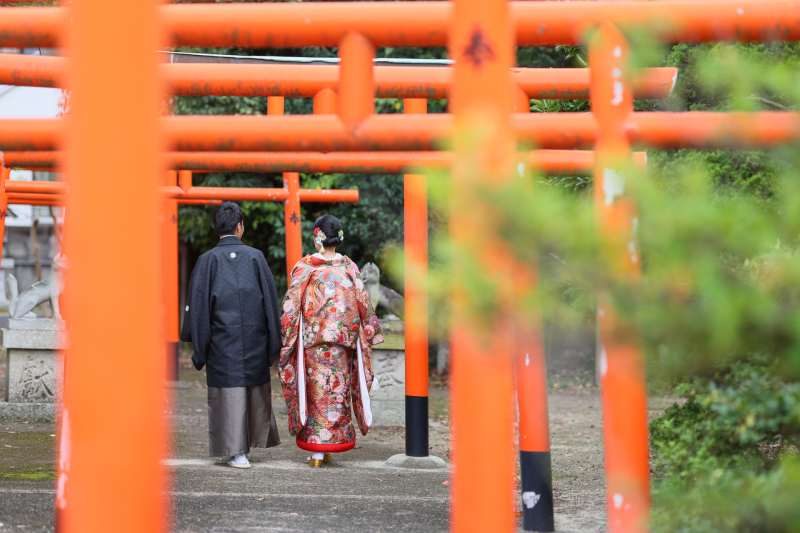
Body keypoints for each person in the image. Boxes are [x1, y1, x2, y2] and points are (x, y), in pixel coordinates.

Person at [180, 201, 282, 468]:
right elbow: (271, 303)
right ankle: (243, 450)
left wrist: (200, 347)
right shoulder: (256, 257)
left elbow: (199, 307)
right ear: (240, 227)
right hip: (254, 337)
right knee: (250, 389)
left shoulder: (205, 261)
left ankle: (237, 452)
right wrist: (274, 342)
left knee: (230, 392)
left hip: (221, 340)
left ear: (218, 229)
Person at [278, 214, 384, 467]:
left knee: (316, 395)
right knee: (337, 394)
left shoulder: (304, 267)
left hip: (314, 344)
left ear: (318, 236)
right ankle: (331, 445)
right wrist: (367, 333)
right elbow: (364, 306)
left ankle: (317, 450)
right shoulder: (350, 268)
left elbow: (291, 307)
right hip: (342, 346)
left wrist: (287, 334)